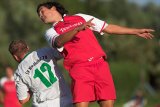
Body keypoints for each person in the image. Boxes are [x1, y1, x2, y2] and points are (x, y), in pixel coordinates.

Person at [36, 2, 154, 107]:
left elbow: (108, 28)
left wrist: (135, 31)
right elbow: (58, 42)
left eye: (42, 11)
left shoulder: (81, 17)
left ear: (53, 8)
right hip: (79, 68)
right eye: (39, 15)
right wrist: (77, 29)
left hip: (100, 64)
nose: (41, 16)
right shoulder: (50, 32)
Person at [8, 40, 73, 107]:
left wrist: (31, 89)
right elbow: (62, 53)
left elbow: (23, 100)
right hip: (65, 101)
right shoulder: (44, 51)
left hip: (43, 104)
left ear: (15, 56)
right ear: (27, 47)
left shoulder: (19, 72)